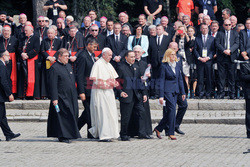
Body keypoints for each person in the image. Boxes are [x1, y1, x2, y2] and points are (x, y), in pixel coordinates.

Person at [47, 48, 81, 143]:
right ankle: (63, 136)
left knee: (72, 114)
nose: (68, 58)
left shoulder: (69, 66)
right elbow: (53, 85)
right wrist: (54, 98)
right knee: (63, 117)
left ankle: (71, 134)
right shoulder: (54, 68)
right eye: (65, 56)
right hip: (61, 97)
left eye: (68, 56)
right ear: (59, 57)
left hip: (71, 96)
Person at [153, 48, 185, 140]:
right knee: (172, 110)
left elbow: (180, 79)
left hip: (175, 91)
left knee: (169, 112)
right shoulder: (164, 66)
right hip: (167, 91)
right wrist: (161, 95)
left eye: (174, 54)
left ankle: (158, 128)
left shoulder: (177, 65)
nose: (173, 56)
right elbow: (161, 81)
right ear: (167, 56)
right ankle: (171, 132)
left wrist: (182, 92)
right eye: (171, 54)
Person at [88, 48, 120, 142]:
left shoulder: (109, 64)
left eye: (111, 55)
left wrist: (115, 83)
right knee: (103, 113)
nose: (111, 57)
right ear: (103, 55)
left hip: (109, 93)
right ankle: (104, 135)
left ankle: (111, 133)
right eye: (109, 55)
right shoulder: (98, 64)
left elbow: (113, 78)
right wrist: (107, 85)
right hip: (100, 93)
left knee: (111, 113)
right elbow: (95, 80)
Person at [117, 51, 149, 141]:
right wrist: (120, 92)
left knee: (142, 112)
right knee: (126, 116)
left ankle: (142, 133)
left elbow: (140, 81)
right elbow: (117, 82)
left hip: (136, 95)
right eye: (131, 57)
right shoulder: (121, 67)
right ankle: (123, 134)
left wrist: (144, 93)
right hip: (126, 95)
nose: (133, 59)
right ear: (126, 57)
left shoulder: (136, 67)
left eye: (134, 57)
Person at [127, 45, 152, 137]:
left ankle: (145, 131)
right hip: (133, 91)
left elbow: (148, 79)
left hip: (143, 90)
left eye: (138, 52)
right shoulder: (131, 64)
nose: (137, 53)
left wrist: (148, 76)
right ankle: (133, 132)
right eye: (135, 52)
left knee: (144, 111)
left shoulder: (144, 64)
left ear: (142, 53)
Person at [76, 38, 98, 139]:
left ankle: (74, 129)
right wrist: (81, 92)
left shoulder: (91, 55)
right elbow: (79, 75)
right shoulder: (83, 56)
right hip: (85, 89)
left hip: (92, 88)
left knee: (88, 113)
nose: (95, 49)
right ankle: (90, 134)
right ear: (88, 45)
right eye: (94, 47)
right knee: (89, 113)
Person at [215, 19, 239, 99]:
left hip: (231, 57)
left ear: (231, 25)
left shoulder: (235, 33)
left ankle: (232, 93)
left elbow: (237, 43)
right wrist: (224, 50)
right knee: (221, 77)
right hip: (222, 57)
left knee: (231, 76)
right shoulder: (219, 33)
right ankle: (221, 93)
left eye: (229, 24)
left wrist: (230, 50)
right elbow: (217, 43)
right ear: (223, 25)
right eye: (226, 25)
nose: (228, 26)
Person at [0, 50, 21, 141]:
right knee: (1, 116)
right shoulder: (1, 66)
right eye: (8, 56)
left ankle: (9, 134)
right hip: (0, 95)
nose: (9, 57)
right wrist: (9, 93)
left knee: (2, 116)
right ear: (3, 56)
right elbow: (3, 81)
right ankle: (9, 134)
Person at [148, 24, 171, 99]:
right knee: (154, 78)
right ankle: (155, 93)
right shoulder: (152, 39)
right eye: (157, 29)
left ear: (163, 30)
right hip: (154, 61)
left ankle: (162, 93)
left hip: (164, 61)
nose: (158, 31)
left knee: (162, 78)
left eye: (159, 29)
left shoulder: (167, 38)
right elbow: (150, 51)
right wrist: (149, 62)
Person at [18, 25, 40, 99]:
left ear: (31, 30)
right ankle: (23, 94)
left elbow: (36, 49)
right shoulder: (23, 38)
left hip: (32, 61)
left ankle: (32, 95)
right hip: (23, 60)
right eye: (24, 30)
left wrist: (27, 55)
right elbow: (19, 47)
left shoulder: (36, 38)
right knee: (23, 77)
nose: (25, 32)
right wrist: (21, 53)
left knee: (32, 78)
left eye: (26, 31)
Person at [194, 23, 215, 99]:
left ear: (208, 29)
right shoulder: (197, 38)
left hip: (208, 61)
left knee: (209, 77)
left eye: (206, 28)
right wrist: (199, 58)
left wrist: (208, 58)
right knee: (200, 77)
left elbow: (213, 50)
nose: (204, 30)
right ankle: (200, 93)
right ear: (200, 29)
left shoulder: (212, 38)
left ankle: (208, 93)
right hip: (200, 61)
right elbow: (195, 50)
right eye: (203, 28)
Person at [40, 28, 62, 98]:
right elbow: (42, 50)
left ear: (55, 33)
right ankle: (47, 94)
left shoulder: (59, 41)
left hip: (56, 61)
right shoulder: (44, 41)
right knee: (47, 77)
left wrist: (54, 57)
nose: (50, 35)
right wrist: (48, 57)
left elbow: (60, 50)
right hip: (47, 61)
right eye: (48, 33)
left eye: (51, 33)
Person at [0, 25, 18, 95]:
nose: (6, 32)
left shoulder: (15, 40)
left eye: (8, 31)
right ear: (2, 32)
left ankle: (11, 93)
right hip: (1, 60)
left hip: (11, 61)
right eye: (5, 31)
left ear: (10, 32)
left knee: (10, 76)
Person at [240, 60, 250, 139]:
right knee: (249, 114)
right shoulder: (245, 64)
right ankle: (249, 132)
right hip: (249, 92)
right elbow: (243, 76)